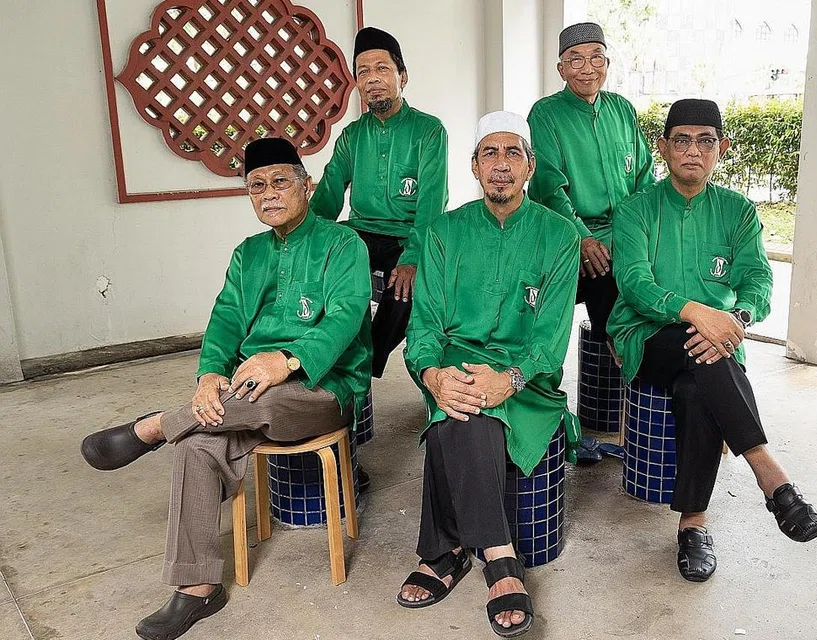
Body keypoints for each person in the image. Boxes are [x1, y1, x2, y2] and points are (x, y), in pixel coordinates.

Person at [80, 138, 372, 640]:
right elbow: (226, 319)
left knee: (259, 396)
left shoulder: (344, 245)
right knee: (197, 444)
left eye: (280, 182)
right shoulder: (248, 254)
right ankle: (197, 587)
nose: (269, 194)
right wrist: (209, 375)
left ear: (307, 186)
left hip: (324, 389)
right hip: (247, 392)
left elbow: (345, 317)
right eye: (257, 186)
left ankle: (155, 426)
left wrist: (287, 359)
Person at [607, 99, 817, 583]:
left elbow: (757, 281)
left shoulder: (737, 211)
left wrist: (737, 317)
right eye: (681, 140)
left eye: (705, 141)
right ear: (663, 148)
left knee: (696, 387)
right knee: (699, 347)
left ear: (721, 148)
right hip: (647, 334)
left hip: (718, 343)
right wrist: (697, 313)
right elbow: (635, 284)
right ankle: (768, 472)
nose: (693, 150)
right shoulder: (636, 209)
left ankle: (693, 523)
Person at [396, 112, 580, 637]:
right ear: (474, 167)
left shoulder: (559, 234)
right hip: (454, 366)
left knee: (460, 417)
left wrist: (510, 378)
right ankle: (500, 559)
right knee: (459, 406)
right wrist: (432, 375)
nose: (501, 164)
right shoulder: (443, 232)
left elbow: (551, 338)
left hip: (526, 382)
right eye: (490, 154)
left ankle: (445, 552)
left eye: (513, 153)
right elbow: (425, 324)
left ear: (530, 167)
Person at [310, 26, 448, 379]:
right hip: (360, 233)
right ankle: (308, 353)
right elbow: (327, 195)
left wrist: (412, 258)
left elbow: (431, 206)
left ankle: (360, 368)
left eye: (382, 68)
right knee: (312, 269)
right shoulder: (352, 135)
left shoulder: (429, 131)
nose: (372, 79)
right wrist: (304, 238)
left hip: (406, 236)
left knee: (405, 292)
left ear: (403, 76)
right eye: (363, 72)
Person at [528, 21, 655, 349]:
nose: (587, 69)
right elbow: (549, 190)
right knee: (607, 285)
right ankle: (618, 359)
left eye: (596, 57)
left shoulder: (622, 109)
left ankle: (654, 364)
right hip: (573, 237)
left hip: (626, 234)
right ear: (561, 69)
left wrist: (641, 233)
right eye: (575, 59)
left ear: (607, 63)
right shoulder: (545, 114)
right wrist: (582, 237)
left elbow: (645, 177)